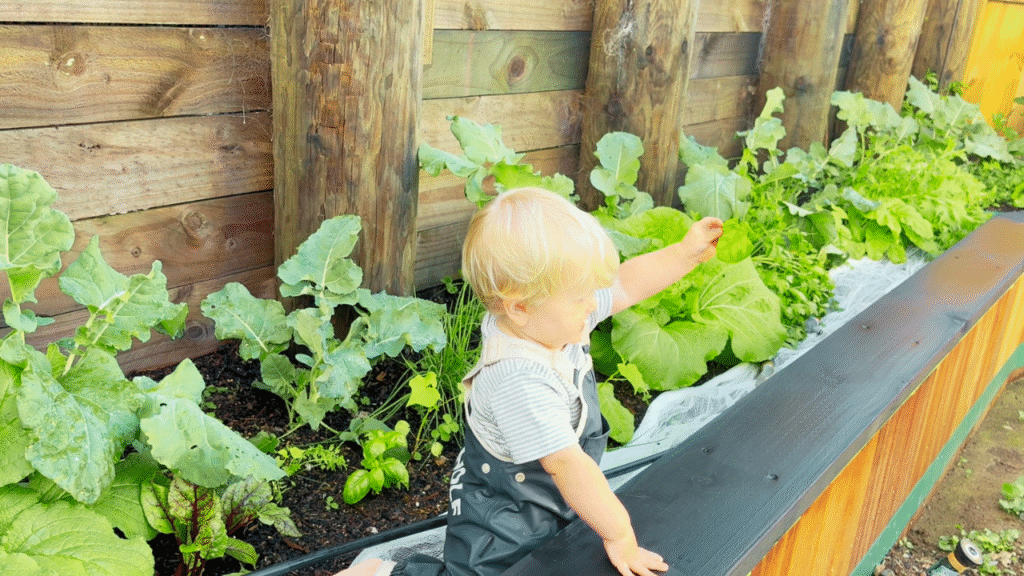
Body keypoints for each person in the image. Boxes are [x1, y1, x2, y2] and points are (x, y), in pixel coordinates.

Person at [337, 187, 723, 576]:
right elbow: (567, 464)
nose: (594, 304)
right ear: (518, 307)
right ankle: (380, 573)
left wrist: (684, 254)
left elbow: (624, 284)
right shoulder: (518, 378)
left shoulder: (553, 317)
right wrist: (620, 535)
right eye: (581, 297)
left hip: (550, 493)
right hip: (505, 514)